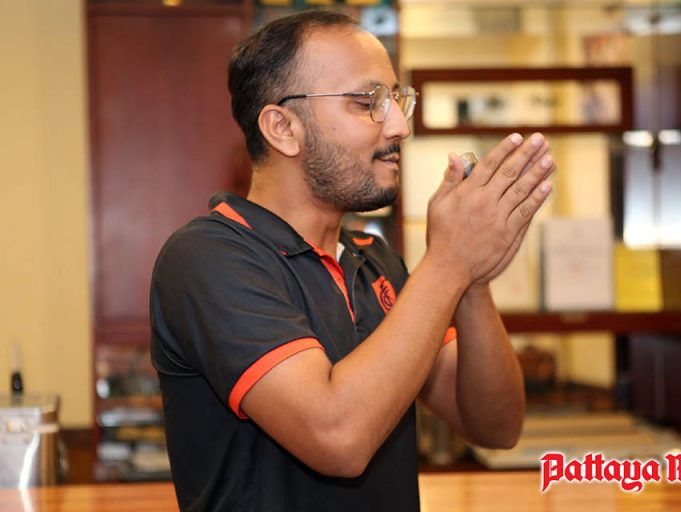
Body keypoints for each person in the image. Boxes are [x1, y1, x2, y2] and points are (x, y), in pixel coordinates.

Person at [150, 9, 555, 512]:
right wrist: (449, 261)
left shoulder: (376, 262)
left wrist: (472, 277)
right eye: (368, 103)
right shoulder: (209, 257)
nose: (400, 126)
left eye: (398, 100)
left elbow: (496, 426)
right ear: (283, 128)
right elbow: (337, 438)